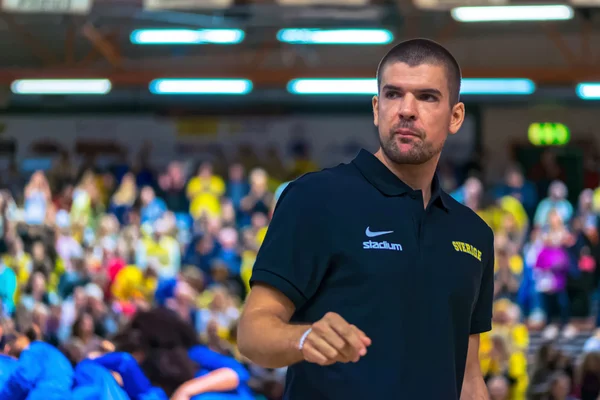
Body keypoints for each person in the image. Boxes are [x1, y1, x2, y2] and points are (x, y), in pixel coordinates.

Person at [238, 38, 494, 399]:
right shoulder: (316, 198)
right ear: (376, 109)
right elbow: (252, 332)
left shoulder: (474, 234)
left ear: (455, 117)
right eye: (393, 94)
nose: (406, 109)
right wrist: (304, 337)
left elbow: (468, 379)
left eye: (426, 97)